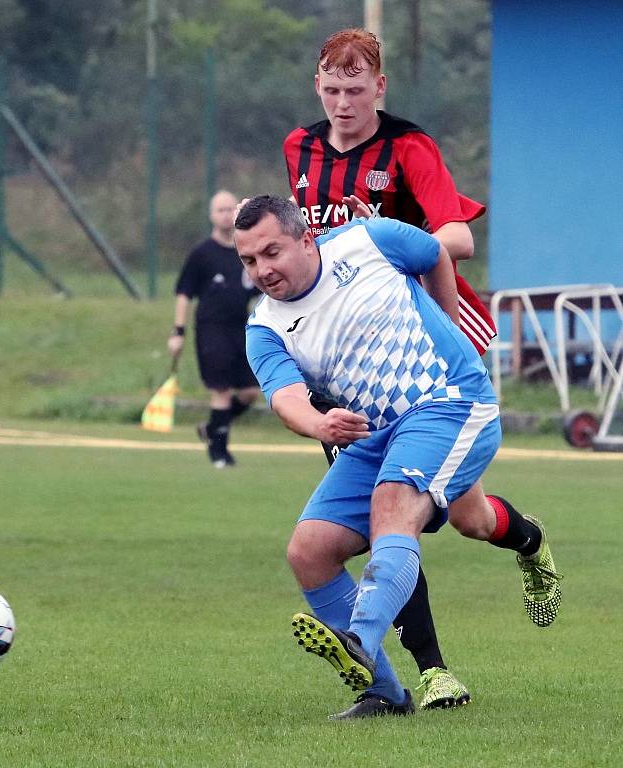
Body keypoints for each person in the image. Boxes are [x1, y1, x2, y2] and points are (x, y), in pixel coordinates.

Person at [235, 195, 562, 719]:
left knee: (395, 506)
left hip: (451, 402)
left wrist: (449, 326)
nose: (263, 270)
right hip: (376, 435)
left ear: (305, 238)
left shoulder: (369, 240)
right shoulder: (265, 328)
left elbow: (435, 252)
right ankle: (385, 692)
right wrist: (319, 423)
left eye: (272, 252)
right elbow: (286, 398)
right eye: (249, 261)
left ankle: (358, 638)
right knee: (311, 550)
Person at [280, 27, 496, 710]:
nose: (343, 102)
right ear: (318, 85)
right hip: (348, 365)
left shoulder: (409, 147)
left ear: (380, 87)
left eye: (356, 88)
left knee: (466, 518)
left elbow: (457, 235)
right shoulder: (300, 149)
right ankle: (426, 673)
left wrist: (385, 251)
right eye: (332, 88)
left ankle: (529, 545)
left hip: (421, 351)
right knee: (386, 518)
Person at [168, 190, 261, 468]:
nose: (225, 214)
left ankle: (211, 429)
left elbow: (257, 290)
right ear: (211, 215)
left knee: (249, 392)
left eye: (229, 208)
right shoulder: (202, 254)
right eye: (219, 209)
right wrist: (178, 331)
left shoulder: (246, 250)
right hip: (211, 329)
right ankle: (219, 453)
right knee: (220, 389)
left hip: (241, 329)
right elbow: (184, 293)